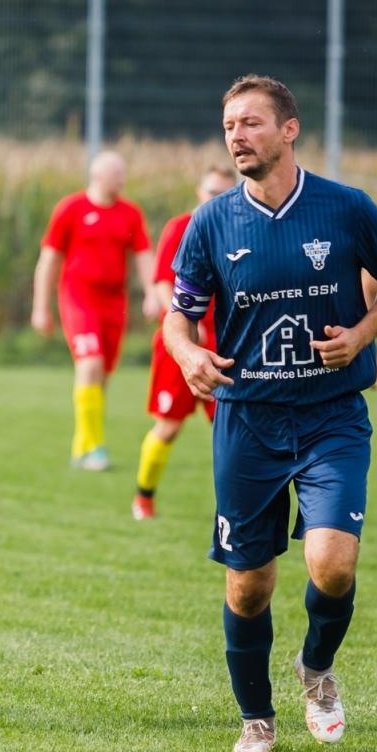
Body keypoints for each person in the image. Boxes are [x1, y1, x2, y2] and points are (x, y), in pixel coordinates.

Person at [162, 73, 377, 752]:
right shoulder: (211, 222)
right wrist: (187, 353)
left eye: (250, 122)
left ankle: (318, 670)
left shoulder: (344, 207)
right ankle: (256, 718)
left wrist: (361, 336)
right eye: (229, 127)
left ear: (288, 129)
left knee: (332, 564)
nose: (237, 136)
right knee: (250, 585)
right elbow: (177, 317)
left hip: (332, 415)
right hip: (247, 421)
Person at [31, 150, 158, 471]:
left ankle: (82, 445)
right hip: (78, 297)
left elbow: (144, 255)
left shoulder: (130, 213)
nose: (123, 179)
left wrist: (152, 294)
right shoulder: (71, 209)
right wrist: (40, 307)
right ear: (98, 175)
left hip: (114, 302)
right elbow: (49, 260)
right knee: (90, 365)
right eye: (118, 173)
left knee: (100, 377)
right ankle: (95, 449)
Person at [132, 165, 237, 520]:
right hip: (177, 346)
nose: (215, 199)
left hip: (223, 348)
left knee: (231, 429)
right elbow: (163, 284)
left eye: (223, 193)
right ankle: (144, 497)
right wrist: (187, 330)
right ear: (198, 192)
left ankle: (235, 507)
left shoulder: (239, 229)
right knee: (169, 426)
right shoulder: (180, 227)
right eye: (210, 192)